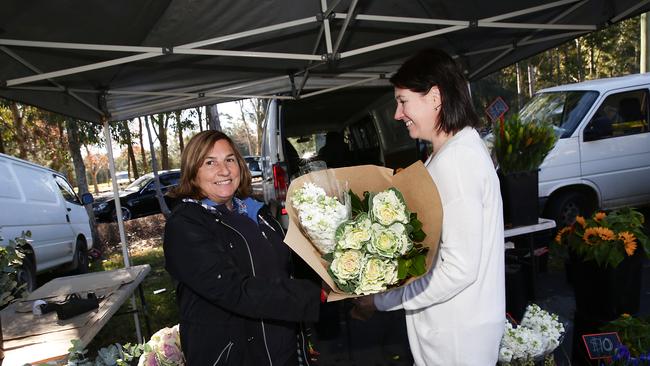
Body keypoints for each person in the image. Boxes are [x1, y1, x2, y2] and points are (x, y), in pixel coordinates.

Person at [352, 48, 505, 365]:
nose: (397, 113)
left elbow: (458, 268)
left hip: (458, 338)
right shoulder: (449, 154)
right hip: (450, 329)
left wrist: (382, 300)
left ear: (435, 97)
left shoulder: (457, 162)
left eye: (403, 100)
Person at [164, 130, 322, 365]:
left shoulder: (256, 212)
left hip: (284, 349)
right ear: (193, 172)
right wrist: (314, 295)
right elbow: (233, 289)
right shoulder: (185, 225)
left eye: (230, 159)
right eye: (210, 162)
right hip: (235, 355)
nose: (224, 170)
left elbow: (283, 265)